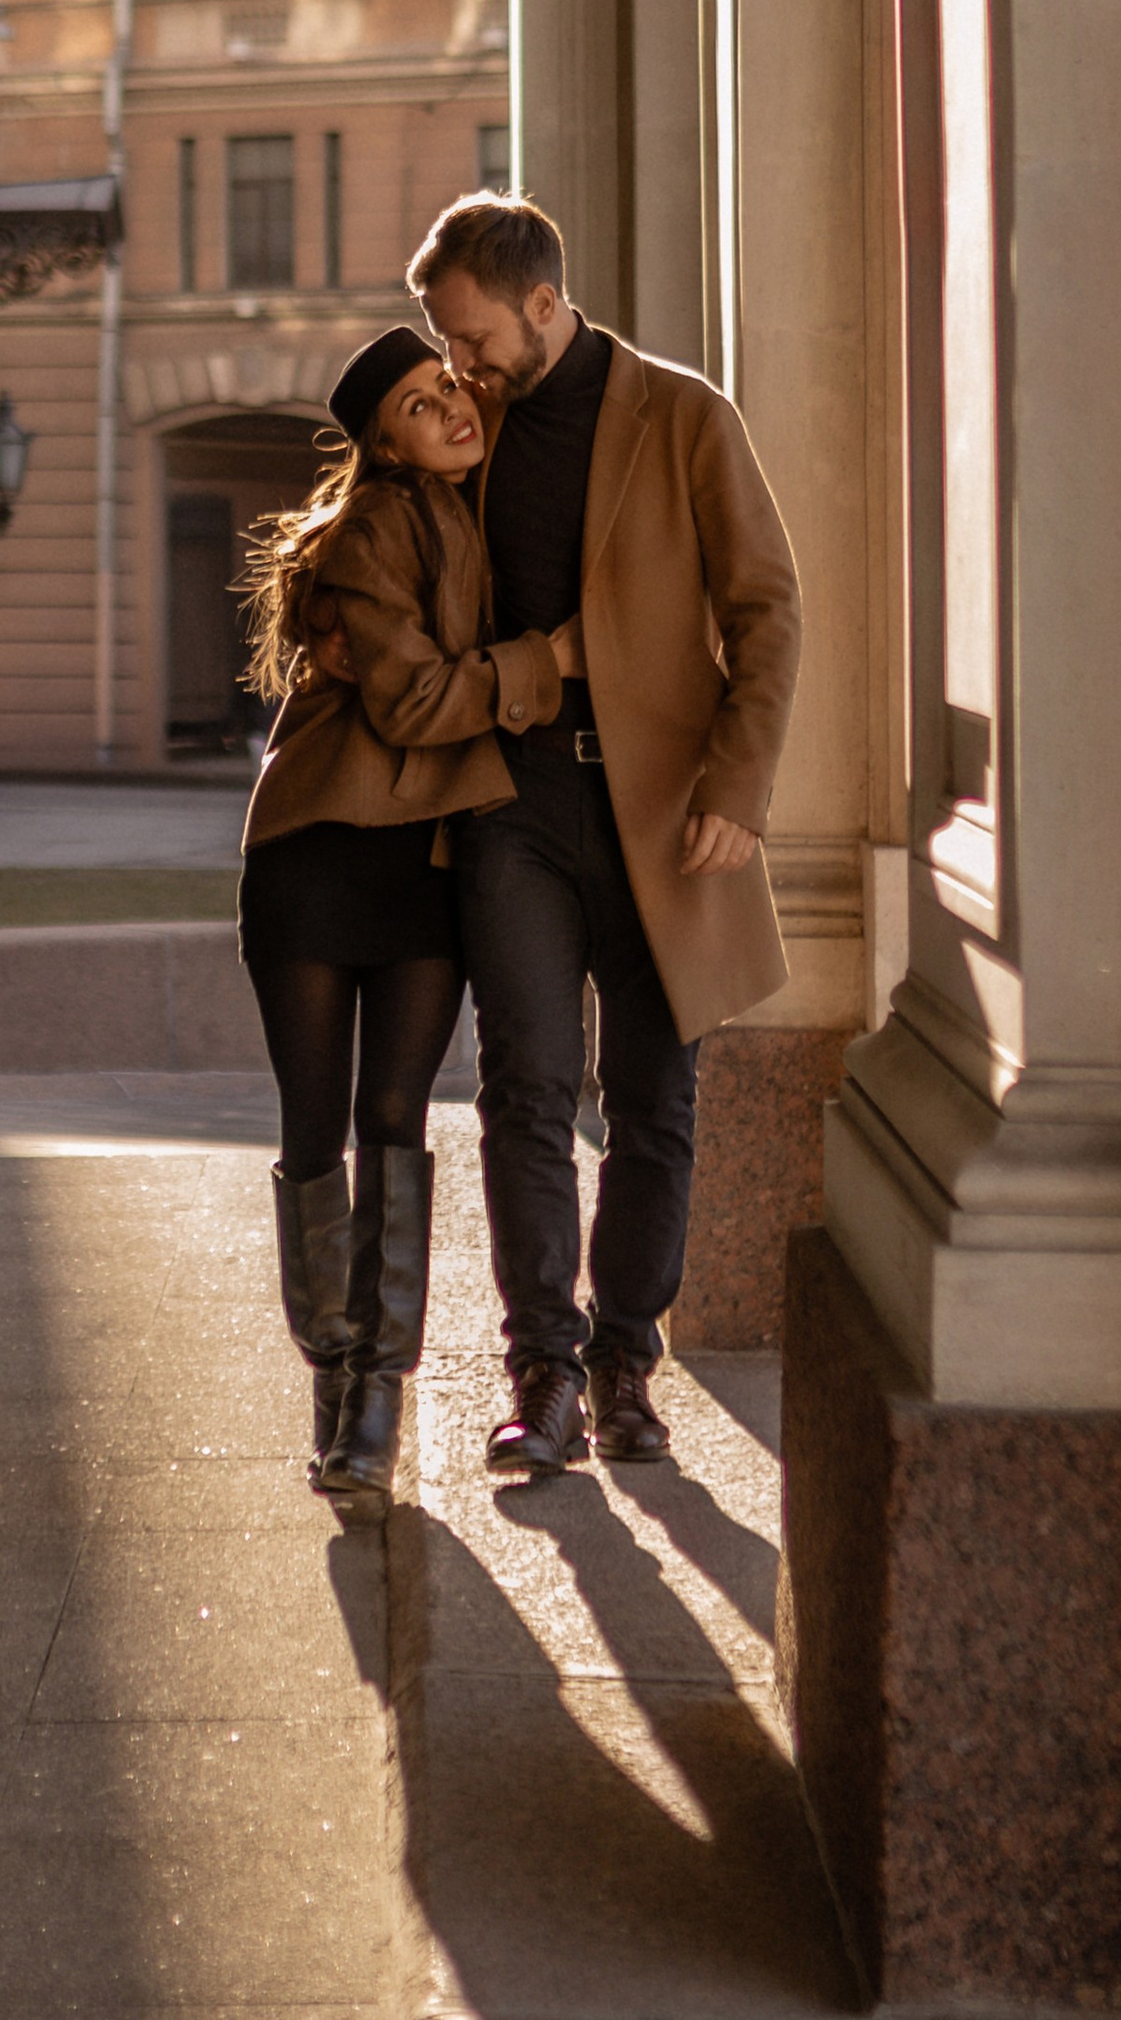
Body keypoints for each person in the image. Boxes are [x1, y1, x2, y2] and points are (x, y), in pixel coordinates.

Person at [408, 191, 801, 1477]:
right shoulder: (473, 431)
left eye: (471, 337)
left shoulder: (685, 416)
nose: (457, 365)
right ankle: (543, 1374)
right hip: (512, 805)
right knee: (522, 1090)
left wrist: (736, 790)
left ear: (539, 301)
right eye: (444, 344)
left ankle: (628, 1365)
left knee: (653, 1100)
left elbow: (766, 610)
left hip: (661, 815)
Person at [237, 324, 580, 1521]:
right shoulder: (377, 528)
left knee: (392, 1118)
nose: (452, 409)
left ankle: (369, 1396)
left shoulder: (467, 509)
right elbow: (416, 699)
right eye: (423, 402)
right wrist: (547, 662)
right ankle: (342, 1390)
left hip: (426, 861)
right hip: (321, 858)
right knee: (323, 1126)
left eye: (453, 389)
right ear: (381, 439)